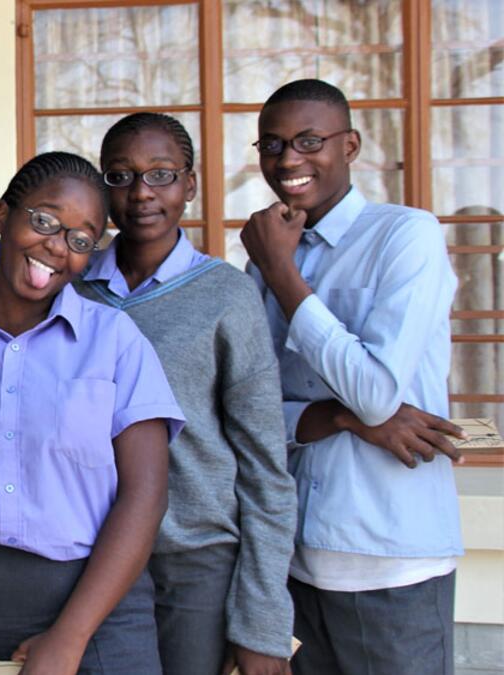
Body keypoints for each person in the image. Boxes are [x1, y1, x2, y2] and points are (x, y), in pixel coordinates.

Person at [0, 151, 184, 675]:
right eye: (44, 220)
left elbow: (146, 493)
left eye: (80, 239)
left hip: (97, 610)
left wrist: (69, 639)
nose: (56, 246)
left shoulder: (114, 342)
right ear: (2, 214)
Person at [242, 78, 465, 675]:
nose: (289, 159)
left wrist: (283, 275)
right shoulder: (271, 249)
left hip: (390, 560)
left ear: (351, 146)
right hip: (289, 561)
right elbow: (248, 404)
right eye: (272, 144)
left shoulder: (404, 234)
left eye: (309, 140)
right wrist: (335, 416)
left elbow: (374, 394)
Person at [76, 112, 296, 675]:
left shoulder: (226, 295)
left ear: (190, 185)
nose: (141, 193)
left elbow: (265, 466)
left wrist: (263, 622)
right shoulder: (72, 291)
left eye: (161, 175)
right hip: (84, 556)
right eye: (120, 177)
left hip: (191, 562)